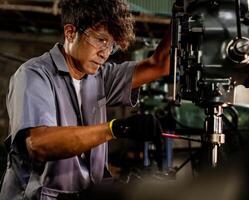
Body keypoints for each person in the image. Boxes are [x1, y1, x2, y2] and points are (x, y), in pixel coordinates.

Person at [0, 0, 170, 199]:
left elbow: (159, 65)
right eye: (100, 40)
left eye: (111, 46)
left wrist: (182, 12)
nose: (105, 54)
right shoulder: (34, 75)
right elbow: (39, 144)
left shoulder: (99, 77)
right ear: (70, 32)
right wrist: (115, 128)